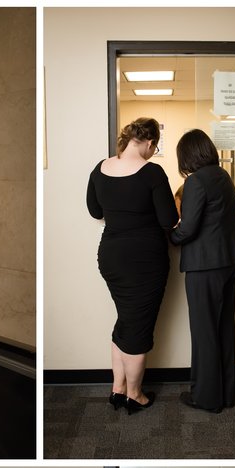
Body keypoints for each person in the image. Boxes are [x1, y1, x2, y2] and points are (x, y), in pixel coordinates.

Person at [87, 117, 179, 414]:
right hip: (144, 261)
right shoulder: (152, 173)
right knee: (138, 328)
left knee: (126, 321)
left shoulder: (100, 168)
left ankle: (118, 388)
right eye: (155, 146)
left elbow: (94, 210)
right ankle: (135, 396)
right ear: (150, 143)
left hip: (111, 255)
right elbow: (168, 220)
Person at [169, 129, 235, 414]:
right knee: (224, 326)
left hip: (205, 266)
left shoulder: (196, 182)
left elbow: (187, 229)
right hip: (231, 260)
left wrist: (169, 237)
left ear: (187, 155)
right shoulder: (223, 175)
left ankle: (206, 398)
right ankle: (226, 394)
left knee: (204, 332)